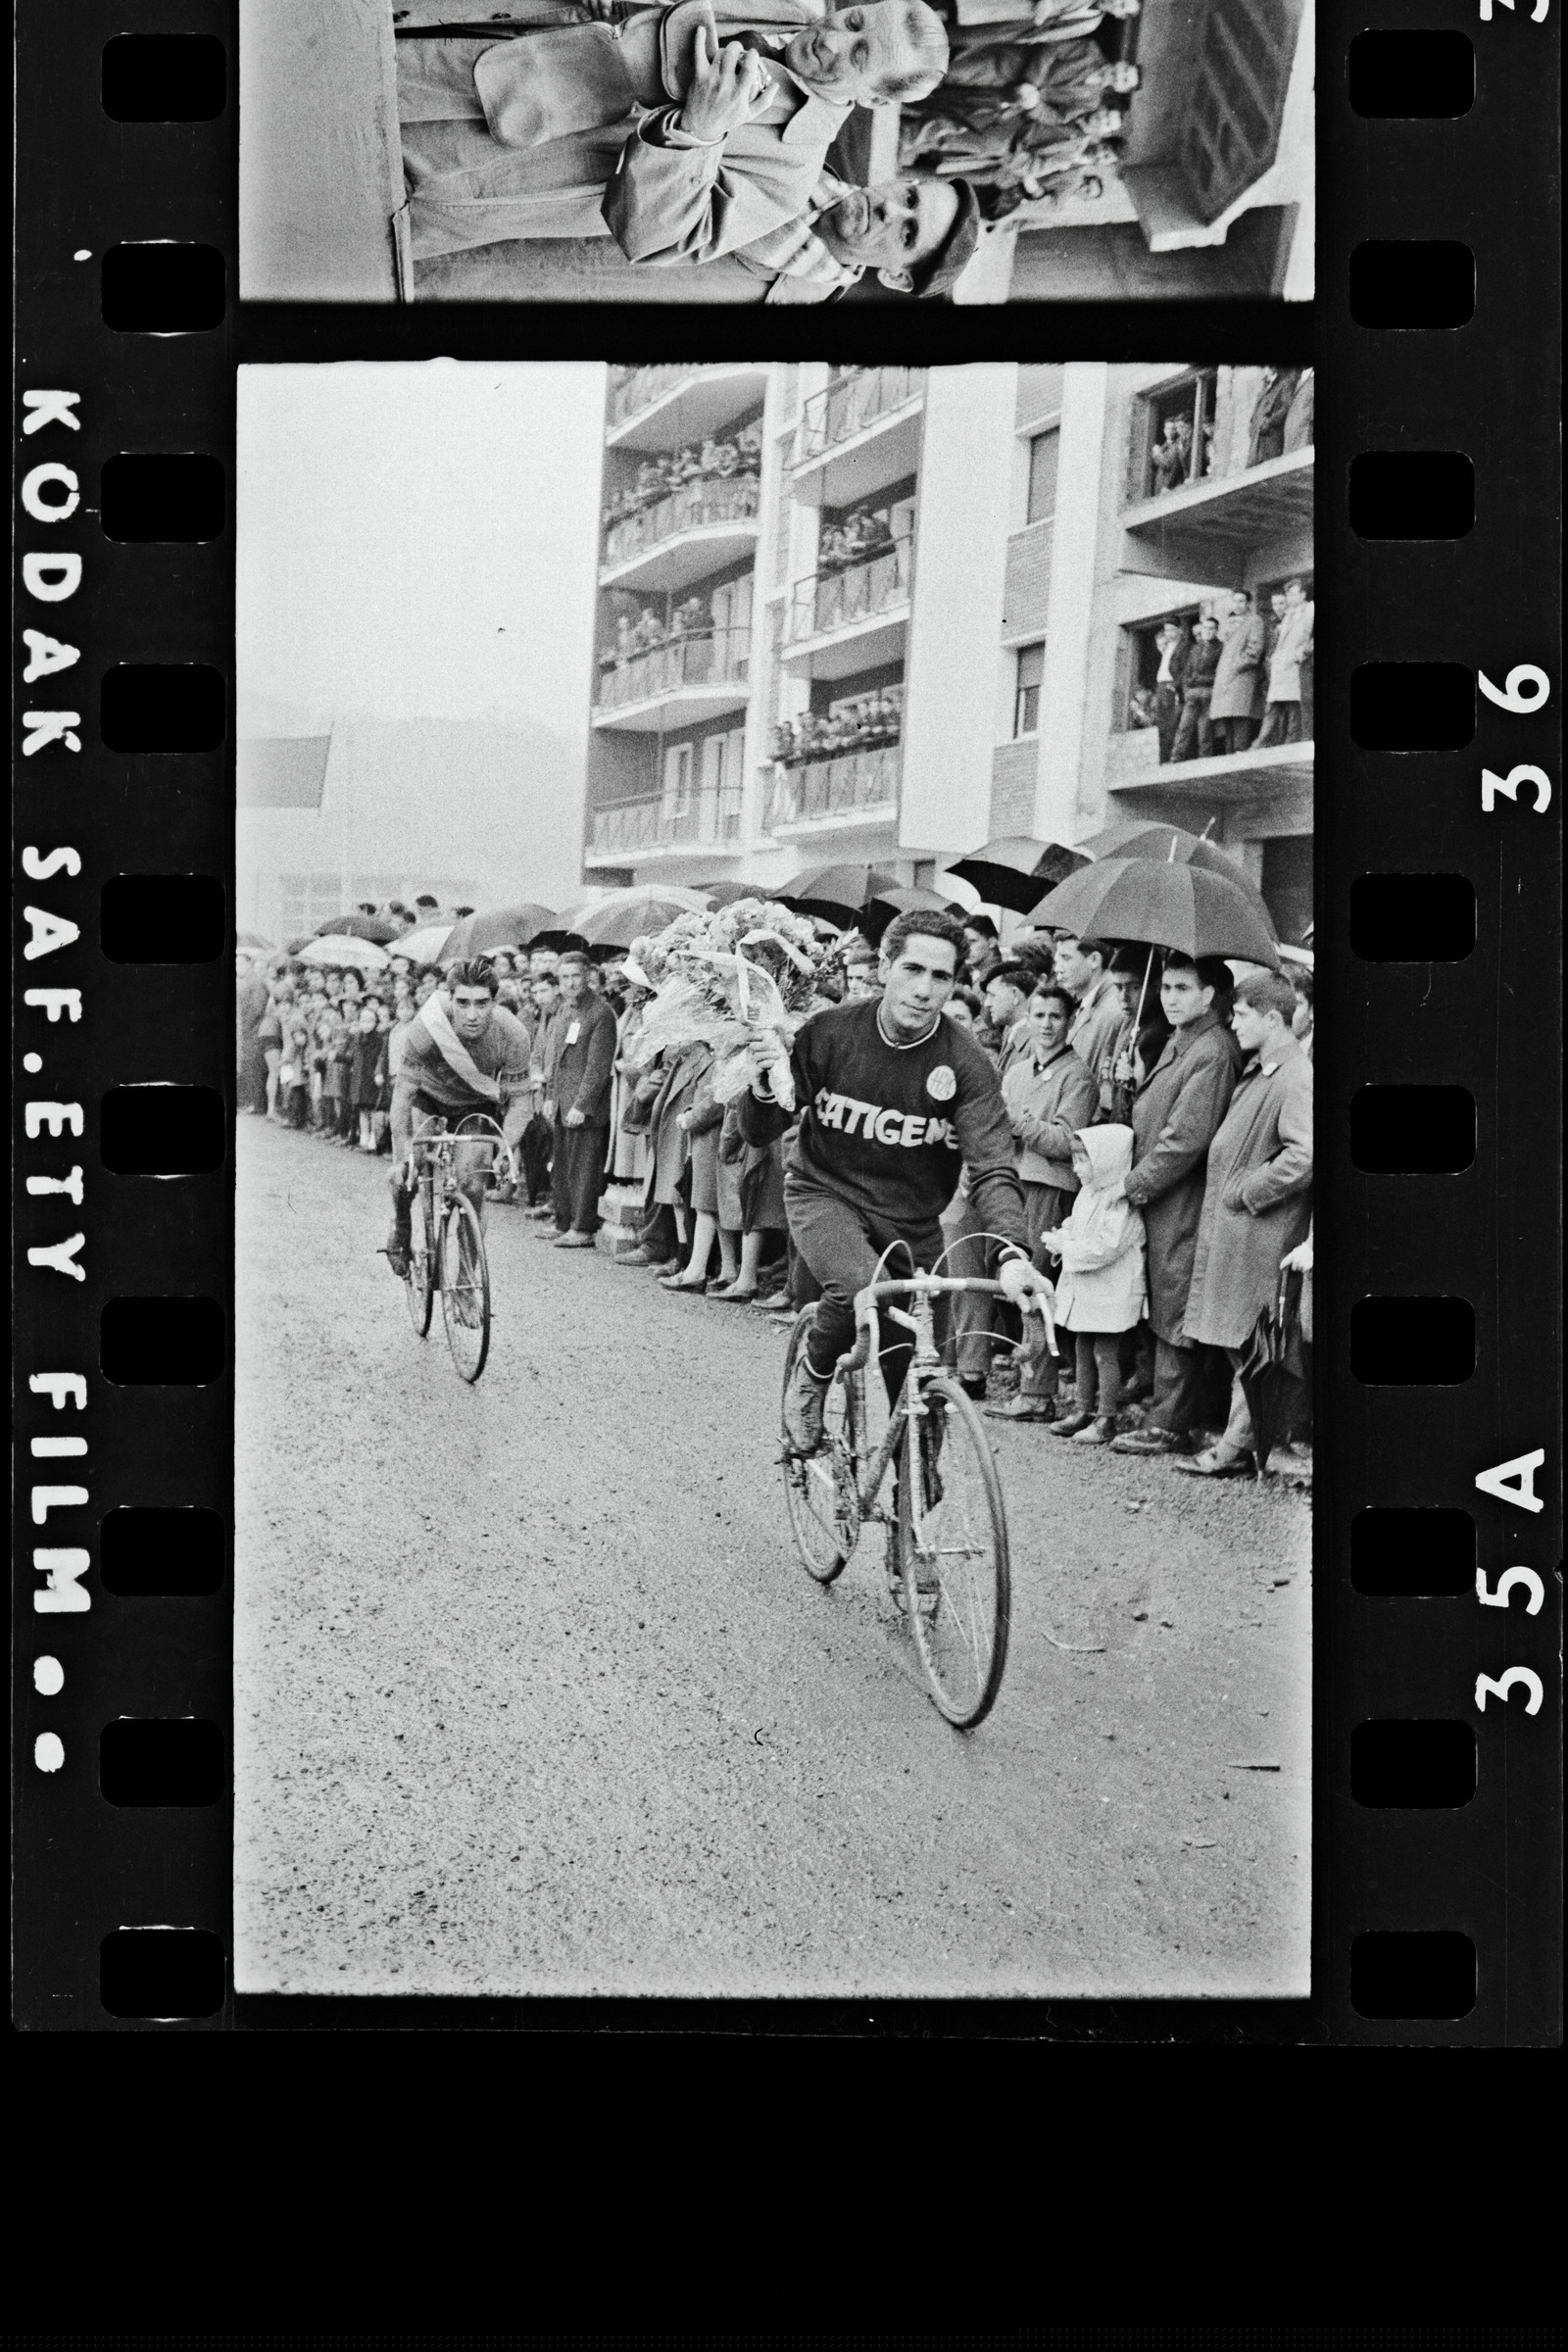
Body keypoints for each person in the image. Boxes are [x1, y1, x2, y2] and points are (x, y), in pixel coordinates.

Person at [737, 909, 1054, 1456]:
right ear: (884, 968)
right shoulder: (830, 1033)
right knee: (861, 1288)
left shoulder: (968, 1062)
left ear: (955, 983)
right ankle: (813, 1375)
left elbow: (993, 1166)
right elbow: (760, 1130)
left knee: (921, 1372)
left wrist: (1011, 1254)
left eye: (941, 977)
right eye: (912, 970)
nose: (925, 990)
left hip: (913, 1220)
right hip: (825, 1192)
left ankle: (917, 1491)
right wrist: (764, 1085)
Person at [401, 1, 951, 266]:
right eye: (853, 21)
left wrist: (699, 132)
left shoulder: (792, 171)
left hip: (464, 178)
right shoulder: (784, 6)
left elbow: (659, 240)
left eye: (859, 55)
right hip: (457, 62)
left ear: (875, 99)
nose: (832, 40)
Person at [1174, 971, 1313, 1477]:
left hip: (1262, 1235)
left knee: (1254, 1345)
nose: (1232, 1024)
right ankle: (1245, 1443)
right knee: (1243, 1344)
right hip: (1243, 1234)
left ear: (1272, 1018)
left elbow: (1306, 1155)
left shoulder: (1295, 1076)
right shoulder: (1270, 1069)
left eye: (1241, 1015)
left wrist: (1248, 1190)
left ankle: (1235, 1449)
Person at [1108, 954, 1244, 1457]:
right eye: (1165, 987)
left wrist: (1133, 1185)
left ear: (1209, 995)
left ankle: (1171, 1422)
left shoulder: (1213, 1050)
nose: (1168, 997)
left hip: (1182, 1197)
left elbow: (1185, 1140)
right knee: (1162, 1296)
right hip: (1163, 1194)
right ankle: (1166, 1407)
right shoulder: (1181, 1038)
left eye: (1182, 988)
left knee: (1174, 1299)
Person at [974, 980, 1099, 1419]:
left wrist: (1019, 1122)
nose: (1046, 1025)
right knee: (1010, 1282)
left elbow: (1066, 1141)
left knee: (1036, 1285)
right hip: (1013, 1182)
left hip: (1049, 1187)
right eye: (1039, 1015)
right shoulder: (1017, 1071)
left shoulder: (1077, 1076)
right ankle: (1026, 1378)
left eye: (1055, 1017)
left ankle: (1039, 1392)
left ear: (1070, 1021)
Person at [380, 958, 534, 1278]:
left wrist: (505, 1149)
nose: (472, 1014)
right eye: (463, 1003)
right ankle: (401, 1225)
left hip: (474, 1104)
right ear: (450, 998)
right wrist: (403, 1152)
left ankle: (465, 1281)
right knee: (406, 1172)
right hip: (427, 1097)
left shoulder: (513, 1034)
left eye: (482, 1003)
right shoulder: (427, 1025)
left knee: (473, 1187)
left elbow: (521, 1103)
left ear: (495, 1001)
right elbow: (403, 1095)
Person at [639, 167, 981, 298]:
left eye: (908, 234)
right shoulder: (800, 159)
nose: (890, 210)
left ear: (897, 277)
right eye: (909, 197)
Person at [1038, 1124, 1147, 1443]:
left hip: (1111, 1289)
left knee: (1105, 1353)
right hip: (1090, 1288)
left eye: (1083, 1161)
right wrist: (1063, 1236)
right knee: (1083, 1346)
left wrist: (1068, 1248)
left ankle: (1106, 1417)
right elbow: (1077, 1225)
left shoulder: (1120, 1202)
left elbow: (1107, 1247)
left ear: (1106, 1161)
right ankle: (1083, 1409)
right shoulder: (1088, 1193)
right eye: (1075, 1160)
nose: (1077, 1168)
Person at [537, 950, 618, 1247]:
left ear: (588, 977)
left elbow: (598, 1067)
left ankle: (582, 1226)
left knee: (584, 1169)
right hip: (562, 1102)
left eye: (576, 976)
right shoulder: (564, 1010)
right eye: (565, 977)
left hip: (584, 1107)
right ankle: (563, 1220)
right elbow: (557, 1059)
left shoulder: (601, 1014)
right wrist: (551, 1096)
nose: (570, 983)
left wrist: (582, 1105)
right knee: (562, 1167)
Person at [1053, 930, 1122, 1108]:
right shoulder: (1089, 1002)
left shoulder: (1112, 1009)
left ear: (1094, 960)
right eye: (1057, 960)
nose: (1057, 968)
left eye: (1066, 958)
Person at [1254, 576, 1313, 747]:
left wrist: (1299, 655)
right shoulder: (1289, 615)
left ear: (1303, 594)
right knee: (1274, 705)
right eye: (1288, 595)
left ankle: (1290, 741)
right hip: (1282, 667)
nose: (1290, 598)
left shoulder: (1310, 610)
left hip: (1296, 666)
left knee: (1294, 705)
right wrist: (1276, 657)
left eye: (1293, 594)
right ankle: (1262, 742)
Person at [1208, 589, 1265, 756]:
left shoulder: (1254, 621)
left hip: (1243, 675)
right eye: (1235, 601)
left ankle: (1240, 752)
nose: (1238, 605)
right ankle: (1230, 755)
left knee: (1240, 715)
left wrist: (1235, 666)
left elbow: (1254, 651)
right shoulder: (1230, 623)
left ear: (1248, 603)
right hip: (1227, 677)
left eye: (1241, 601)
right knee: (1227, 718)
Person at [1171, 610, 1222, 760]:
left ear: (1216, 630)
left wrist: (1200, 679)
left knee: (1204, 729)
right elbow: (1187, 672)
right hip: (1192, 694)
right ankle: (1176, 757)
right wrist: (1187, 690)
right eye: (1205, 628)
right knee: (1184, 727)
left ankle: (1204, 757)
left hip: (1208, 692)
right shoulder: (1195, 648)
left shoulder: (1221, 648)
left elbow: (1219, 674)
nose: (1208, 631)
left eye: (1211, 628)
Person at [1152, 618, 1187, 762]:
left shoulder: (1181, 647)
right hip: (1161, 687)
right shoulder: (1167, 649)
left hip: (1170, 687)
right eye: (1167, 630)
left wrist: (1175, 686)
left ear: (1179, 630)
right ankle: (1163, 758)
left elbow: (1183, 670)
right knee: (1162, 725)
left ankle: (1172, 756)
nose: (1169, 633)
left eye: (1172, 630)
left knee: (1171, 724)